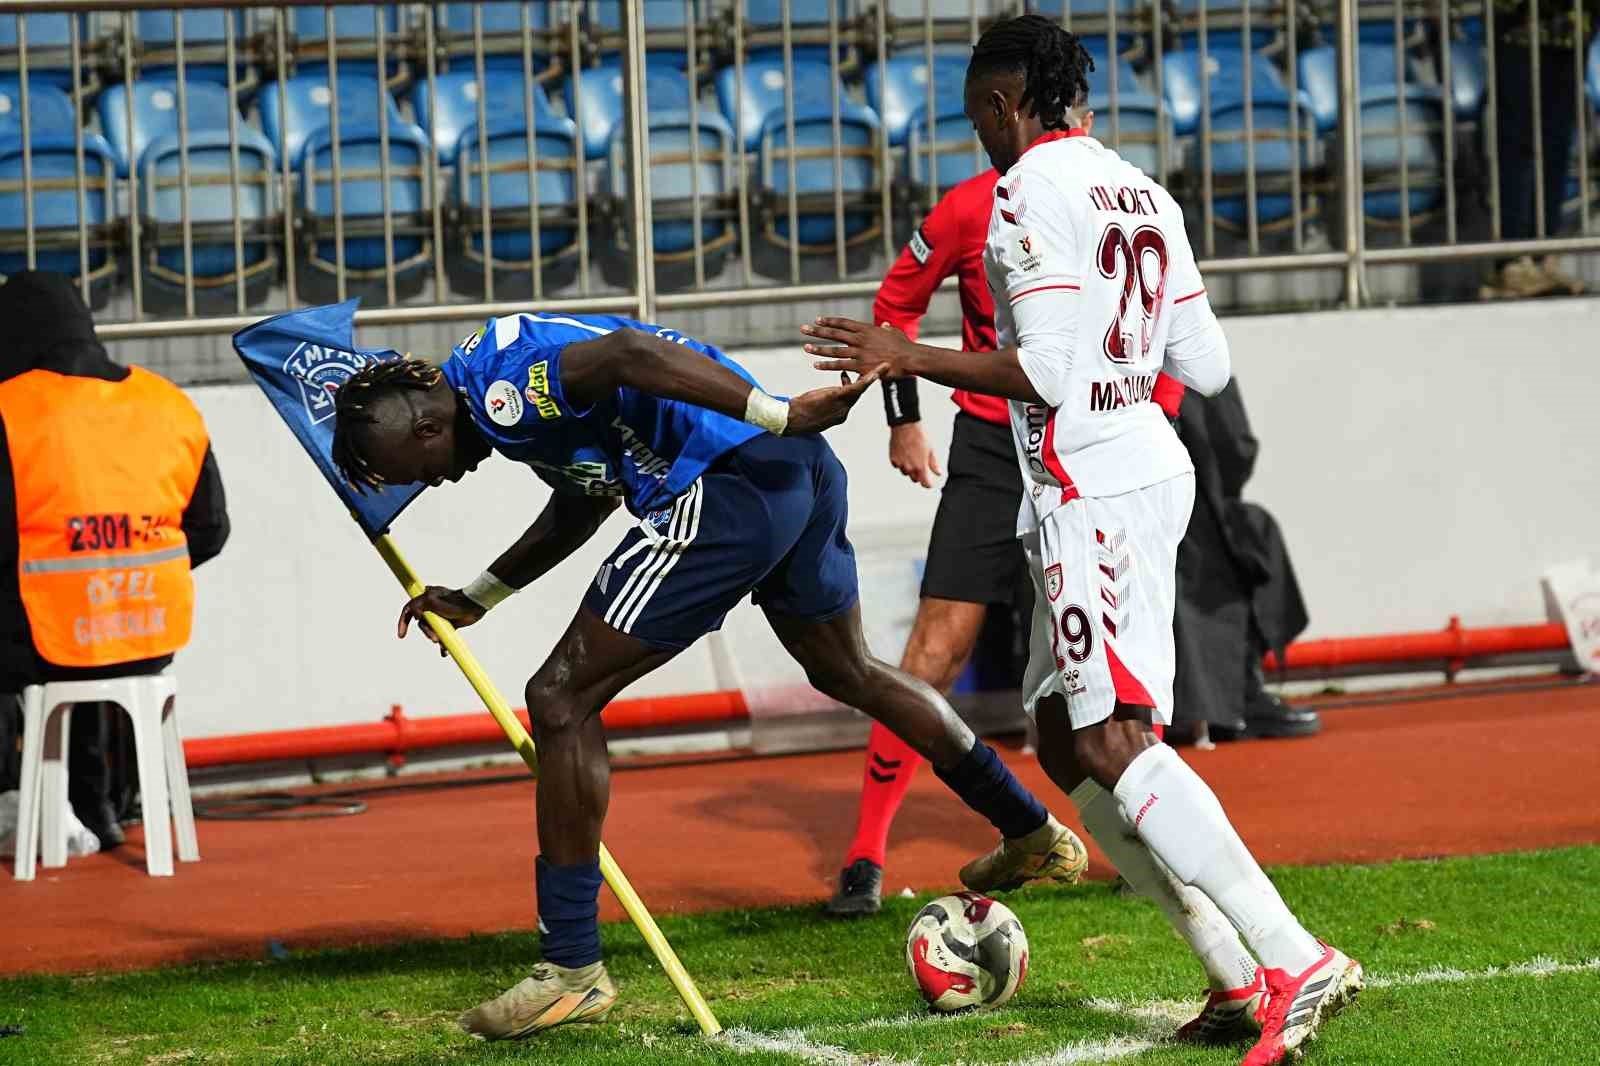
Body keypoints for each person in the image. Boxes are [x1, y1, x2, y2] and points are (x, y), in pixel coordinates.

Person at [801, 18, 1361, 1065]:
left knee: (1111, 742)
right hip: (1143, 468)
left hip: (1086, 490)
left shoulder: (1024, 192)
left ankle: (1291, 954)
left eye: (980, 118)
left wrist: (903, 351)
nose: (980, 140)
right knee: (1063, 736)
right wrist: (1114, 362)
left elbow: (1050, 374)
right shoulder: (1143, 189)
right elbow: (1204, 360)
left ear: (1004, 106)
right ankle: (1234, 977)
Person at [327, 311, 1089, 1041]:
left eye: (418, 471)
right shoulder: (498, 385)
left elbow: (628, 353)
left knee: (558, 698)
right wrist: (480, 596)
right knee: (848, 668)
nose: (436, 482)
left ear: (427, 426)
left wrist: (777, 411)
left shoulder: (501, 392)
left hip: (727, 486)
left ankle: (569, 967)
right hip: (792, 474)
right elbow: (582, 502)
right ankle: (1030, 830)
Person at [828, 104, 1185, 917]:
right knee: (932, 654)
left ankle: (1155, 841)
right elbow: (896, 307)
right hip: (995, 449)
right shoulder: (969, 206)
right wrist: (904, 420)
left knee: (1120, 659)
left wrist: (1154, 412)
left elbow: (1161, 323)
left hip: (1094, 447)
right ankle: (866, 853)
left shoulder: (1118, 202)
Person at [0, 271, 230, 850]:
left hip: (43, 640)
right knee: (90, 648)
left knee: (37, 645)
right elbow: (210, 530)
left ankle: (14, 801)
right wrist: (125, 570)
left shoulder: (10, 406)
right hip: (149, 631)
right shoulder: (165, 402)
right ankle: (101, 806)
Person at [1170, 381, 1319, 744]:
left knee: (1254, 531)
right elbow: (1234, 448)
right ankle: (1242, 697)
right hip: (1193, 517)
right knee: (1244, 540)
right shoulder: (1194, 359)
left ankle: (1232, 697)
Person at [1480, 0, 1597, 298]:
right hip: (1518, 29)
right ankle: (1511, 260)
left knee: (1556, 146)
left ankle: (1542, 254)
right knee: (1518, 144)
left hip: (1572, 29)